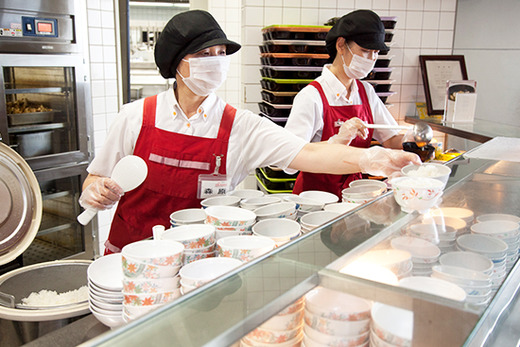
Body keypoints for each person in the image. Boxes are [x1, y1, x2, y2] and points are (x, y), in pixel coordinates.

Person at [78, 10, 420, 254]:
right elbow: (95, 178)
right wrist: (94, 192)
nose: (216, 60)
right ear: (177, 63)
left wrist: (377, 157)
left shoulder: (240, 125)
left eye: (221, 53)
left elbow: (309, 153)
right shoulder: (135, 116)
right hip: (130, 258)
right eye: (203, 54)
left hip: (201, 265)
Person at [285, 10, 407, 198]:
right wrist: (338, 140)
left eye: (375, 53)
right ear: (341, 45)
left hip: (355, 194)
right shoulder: (311, 96)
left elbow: (391, 140)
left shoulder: (366, 92)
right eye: (365, 51)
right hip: (316, 198)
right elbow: (289, 161)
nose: (371, 59)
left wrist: (413, 141)